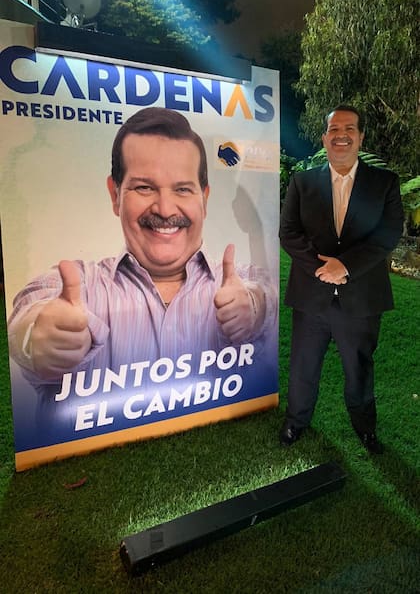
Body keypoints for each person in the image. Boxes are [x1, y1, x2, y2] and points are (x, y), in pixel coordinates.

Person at [7, 107, 278, 446]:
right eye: (144, 187)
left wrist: (252, 306)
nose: (165, 209)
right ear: (115, 194)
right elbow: (29, 309)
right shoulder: (77, 285)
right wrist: (38, 337)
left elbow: (265, 295)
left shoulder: (240, 279)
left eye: (182, 189)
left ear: (204, 199)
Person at [279, 104, 404, 453]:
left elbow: (388, 234)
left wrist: (344, 266)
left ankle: (365, 428)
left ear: (361, 137)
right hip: (311, 295)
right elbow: (288, 233)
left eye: (349, 128)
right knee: (303, 365)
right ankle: (296, 421)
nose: (341, 135)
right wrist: (322, 269)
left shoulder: (385, 183)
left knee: (359, 368)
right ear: (324, 138)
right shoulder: (302, 182)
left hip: (361, 297)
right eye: (334, 129)